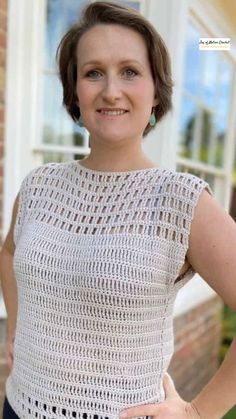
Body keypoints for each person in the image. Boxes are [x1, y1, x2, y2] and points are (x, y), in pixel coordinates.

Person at [1, 1, 236, 418]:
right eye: (93, 72)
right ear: (74, 92)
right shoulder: (39, 186)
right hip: (19, 406)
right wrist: (17, 331)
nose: (111, 90)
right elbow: (8, 253)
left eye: (130, 71)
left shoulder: (181, 201)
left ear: (156, 88)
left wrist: (199, 412)